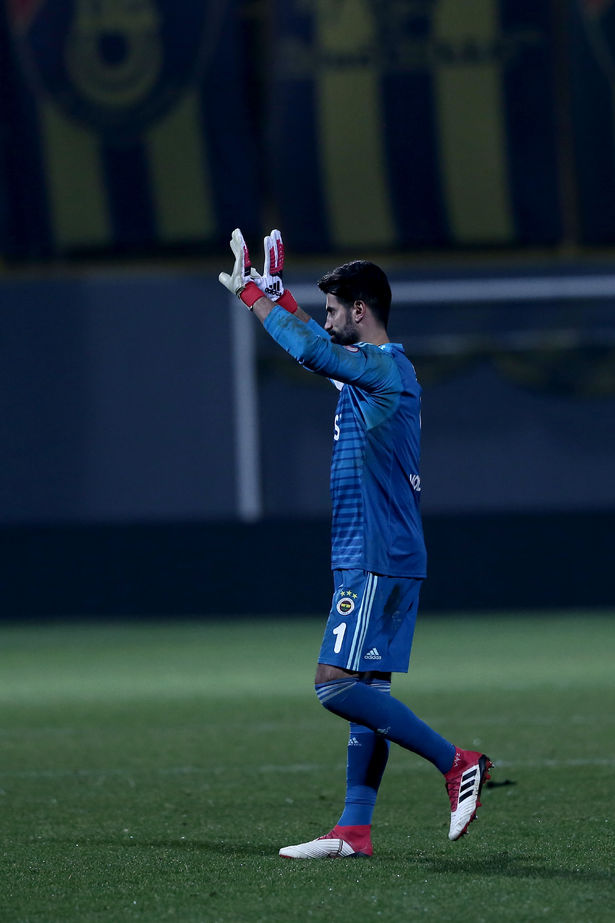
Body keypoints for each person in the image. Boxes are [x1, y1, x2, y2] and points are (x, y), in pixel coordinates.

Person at [219, 228, 493, 859]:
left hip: (376, 552)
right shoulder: (373, 374)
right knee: (370, 691)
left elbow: (314, 353)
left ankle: (457, 762)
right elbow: (320, 347)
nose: (327, 319)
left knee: (334, 685)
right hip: (379, 550)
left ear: (360, 310)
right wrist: (277, 298)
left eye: (333, 309)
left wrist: (255, 299)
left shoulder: (384, 366)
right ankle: (354, 829)